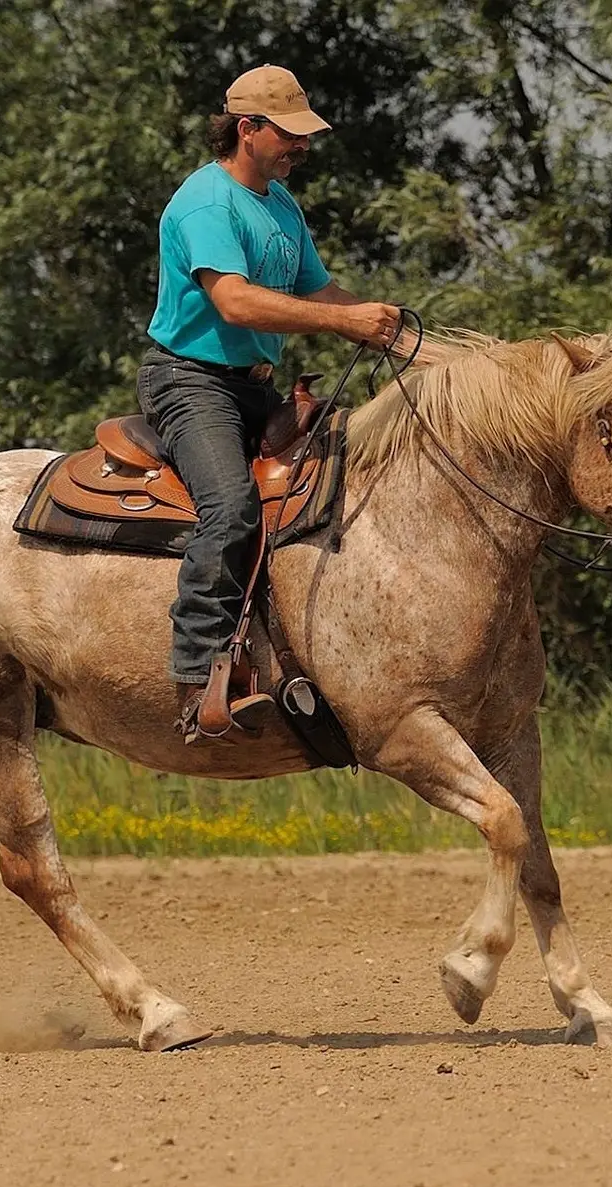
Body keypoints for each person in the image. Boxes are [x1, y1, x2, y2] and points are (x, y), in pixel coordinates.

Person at [139, 64, 402, 743]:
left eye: (305, 136)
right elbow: (232, 299)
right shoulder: (206, 203)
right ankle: (197, 681)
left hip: (253, 385)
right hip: (190, 383)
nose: (302, 147)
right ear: (247, 129)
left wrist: (403, 336)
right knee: (229, 507)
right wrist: (344, 325)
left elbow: (319, 293)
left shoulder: (280, 204)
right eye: (290, 135)